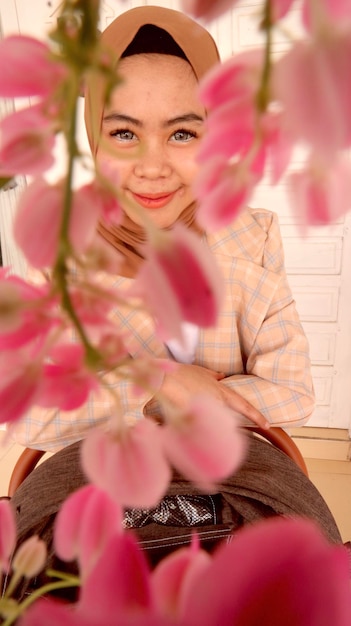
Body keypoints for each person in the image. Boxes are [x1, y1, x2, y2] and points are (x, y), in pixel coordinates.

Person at [5, 4, 342, 604]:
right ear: (94, 134)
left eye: (183, 132)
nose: (152, 165)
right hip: (93, 475)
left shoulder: (250, 237)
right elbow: (33, 419)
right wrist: (161, 384)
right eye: (124, 132)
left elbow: (294, 392)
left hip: (237, 470)